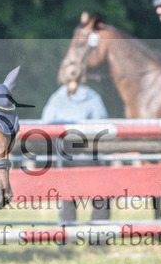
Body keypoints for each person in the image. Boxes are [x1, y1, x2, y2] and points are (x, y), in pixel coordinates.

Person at [40, 81, 111, 224]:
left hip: (61, 156)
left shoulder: (56, 98)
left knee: (67, 193)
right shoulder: (93, 97)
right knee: (102, 191)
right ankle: (99, 233)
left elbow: (45, 123)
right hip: (86, 155)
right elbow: (102, 123)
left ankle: (68, 231)